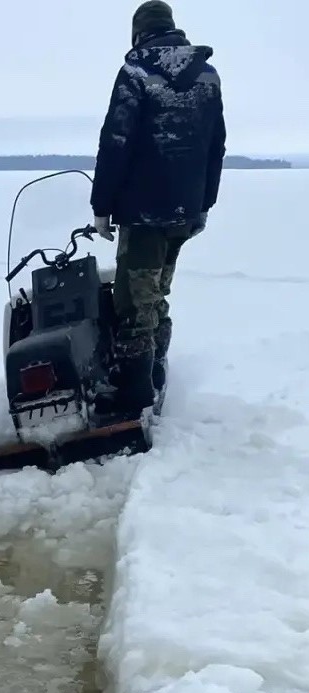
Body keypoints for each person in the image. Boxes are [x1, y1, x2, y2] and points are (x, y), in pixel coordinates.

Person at [89, 0, 226, 413]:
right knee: (157, 288)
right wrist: (204, 203)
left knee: (134, 299)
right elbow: (215, 146)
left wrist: (101, 206)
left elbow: (116, 143)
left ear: (139, 34)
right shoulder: (207, 75)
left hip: (143, 211)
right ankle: (156, 369)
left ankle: (133, 394)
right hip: (185, 208)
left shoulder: (136, 72)